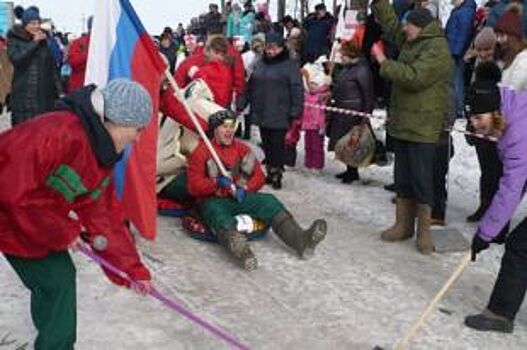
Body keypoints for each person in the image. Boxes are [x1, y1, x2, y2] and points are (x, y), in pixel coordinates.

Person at [0, 79, 153, 350]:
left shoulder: (99, 153)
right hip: (10, 214)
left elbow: (104, 217)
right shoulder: (58, 133)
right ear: (115, 120)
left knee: (56, 280)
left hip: (29, 220)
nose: (138, 138)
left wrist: (132, 270)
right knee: (56, 280)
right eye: (137, 129)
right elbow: (14, 191)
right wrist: (64, 231)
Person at [186, 111, 327, 270]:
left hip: (240, 196)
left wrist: (245, 187)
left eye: (232, 126)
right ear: (214, 130)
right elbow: (193, 187)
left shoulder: (242, 149)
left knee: (269, 201)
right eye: (224, 127)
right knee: (215, 211)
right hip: (215, 199)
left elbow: (259, 176)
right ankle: (240, 248)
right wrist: (216, 183)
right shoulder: (201, 151)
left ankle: (300, 240)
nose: (229, 130)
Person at [370, 0, 453, 254]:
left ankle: (424, 232)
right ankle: (403, 225)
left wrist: (384, 62)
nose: (404, 29)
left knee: (421, 180)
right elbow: (392, 25)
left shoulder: (438, 48)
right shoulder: (412, 39)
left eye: (409, 26)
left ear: (421, 27)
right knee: (403, 178)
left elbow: (414, 77)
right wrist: (381, 4)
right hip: (403, 123)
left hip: (424, 127)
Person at [464, 78, 527, 334]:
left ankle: (500, 313)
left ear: (496, 111)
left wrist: (486, 232)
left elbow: (511, 188)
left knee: (520, 247)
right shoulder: (515, 112)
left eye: (480, 118)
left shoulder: (517, 133)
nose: (475, 125)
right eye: (472, 118)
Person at [238, 32, 304, 189]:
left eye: (274, 48)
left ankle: (277, 173)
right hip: (262, 109)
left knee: (277, 145)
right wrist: (242, 102)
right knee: (266, 143)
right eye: (268, 48)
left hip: (280, 110)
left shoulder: (290, 64)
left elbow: (297, 89)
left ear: (282, 48)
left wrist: (295, 111)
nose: (270, 51)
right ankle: (269, 170)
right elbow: (251, 84)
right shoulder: (261, 63)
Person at [327, 41, 375, 184]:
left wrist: (365, 116)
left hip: (354, 113)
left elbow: (368, 94)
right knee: (344, 142)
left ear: (351, 55)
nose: (341, 57)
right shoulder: (347, 68)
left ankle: (353, 171)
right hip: (343, 111)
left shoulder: (362, 70)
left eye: (343, 55)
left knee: (352, 143)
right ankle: (349, 170)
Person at [7, 5, 62, 125]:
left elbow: (53, 68)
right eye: (32, 23)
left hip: (45, 97)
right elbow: (16, 59)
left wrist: (60, 92)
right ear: (25, 24)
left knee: (43, 132)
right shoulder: (14, 40)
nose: (36, 26)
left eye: (38, 22)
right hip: (24, 97)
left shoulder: (45, 41)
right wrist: (34, 43)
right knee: (24, 133)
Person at [445, 0, 477, 118]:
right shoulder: (462, 10)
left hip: (455, 51)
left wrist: (456, 52)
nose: (452, 2)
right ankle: (456, 108)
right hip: (454, 49)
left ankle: (458, 109)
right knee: (455, 81)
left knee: (456, 81)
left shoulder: (465, 12)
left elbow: (464, 33)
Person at [66, 16, 92, 93]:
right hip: (80, 87)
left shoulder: (106, 44)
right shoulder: (78, 43)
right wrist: (89, 54)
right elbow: (73, 61)